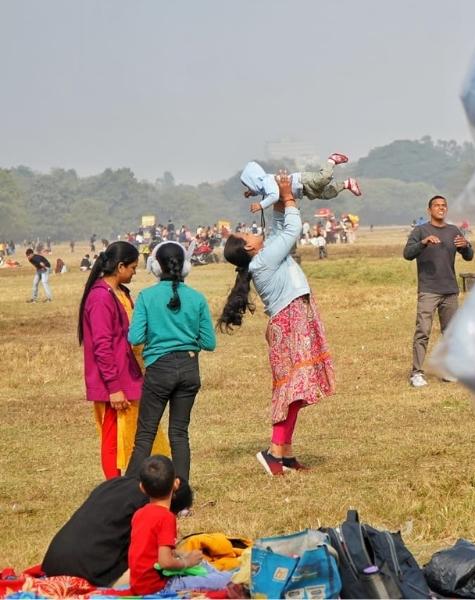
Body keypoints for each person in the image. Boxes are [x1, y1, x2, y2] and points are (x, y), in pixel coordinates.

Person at [219, 172, 335, 476]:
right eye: (247, 236)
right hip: (292, 318)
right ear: (248, 248)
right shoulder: (265, 259)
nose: (252, 233)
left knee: (295, 388)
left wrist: (279, 200)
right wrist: (287, 195)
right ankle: (274, 450)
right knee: (292, 388)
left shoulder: (260, 258)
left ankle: (284, 453)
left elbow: (282, 226)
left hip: (293, 316)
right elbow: (293, 228)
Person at [125, 242, 216, 483]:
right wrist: (187, 343)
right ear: (186, 267)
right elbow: (209, 342)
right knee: (179, 434)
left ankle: (130, 492)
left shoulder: (147, 296)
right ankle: (181, 498)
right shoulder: (197, 298)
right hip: (189, 369)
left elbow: (135, 338)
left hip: (159, 370)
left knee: (145, 435)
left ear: (155, 267)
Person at [79, 241, 170, 479]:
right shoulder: (100, 298)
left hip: (129, 376)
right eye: (132, 267)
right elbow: (102, 346)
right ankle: (115, 488)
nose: (134, 272)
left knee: (136, 435)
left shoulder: (120, 293)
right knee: (113, 437)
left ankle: (144, 482)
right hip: (114, 384)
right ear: (120, 267)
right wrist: (114, 388)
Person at [41, 474, 193, 586]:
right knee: (155, 572)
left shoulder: (116, 483)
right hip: (87, 572)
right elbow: (161, 561)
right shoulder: (151, 510)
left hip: (53, 562)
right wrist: (185, 561)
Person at [128, 456, 231, 595]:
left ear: (142, 488)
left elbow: (147, 551)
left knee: (205, 567)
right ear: (176, 484)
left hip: (137, 583)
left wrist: (178, 554)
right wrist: (186, 562)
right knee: (230, 579)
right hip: (160, 586)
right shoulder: (166, 517)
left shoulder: (139, 514)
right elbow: (165, 562)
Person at [402, 195, 474, 388]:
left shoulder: (453, 230)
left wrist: (466, 247)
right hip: (429, 290)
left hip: (450, 289)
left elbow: (468, 256)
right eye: (437, 206)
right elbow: (407, 254)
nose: (441, 208)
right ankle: (416, 373)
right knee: (423, 331)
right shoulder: (420, 230)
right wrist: (423, 242)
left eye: (444, 206)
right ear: (429, 210)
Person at [240, 155, 361, 215]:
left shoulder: (266, 181)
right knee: (326, 194)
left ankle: (332, 160)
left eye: (248, 186)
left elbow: (274, 196)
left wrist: (261, 205)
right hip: (303, 190)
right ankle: (347, 184)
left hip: (302, 180)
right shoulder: (262, 187)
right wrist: (252, 192)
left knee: (324, 178)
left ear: (253, 181)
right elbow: (266, 192)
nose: (248, 188)